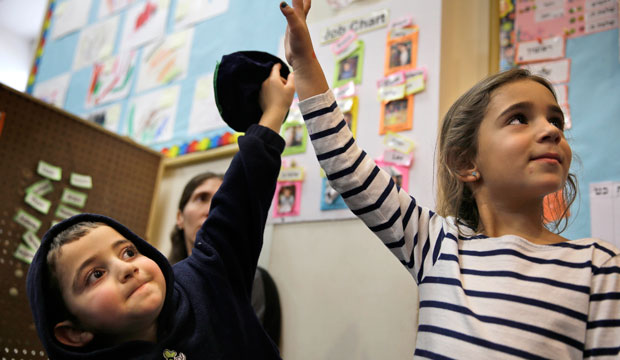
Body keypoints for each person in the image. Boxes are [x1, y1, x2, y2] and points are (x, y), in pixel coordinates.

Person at [279, 1, 620, 358]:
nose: (550, 130)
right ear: (466, 161)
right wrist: (304, 65)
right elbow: (346, 166)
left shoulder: (597, 267)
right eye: (519, 118)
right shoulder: (438, 245)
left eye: (556, 121)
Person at [26, 63, 295, 359]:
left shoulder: (205, 280)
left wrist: (273, 112)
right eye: (96, 274)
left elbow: (239, 197)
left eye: (128, 252)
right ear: (74, 332)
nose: (127, 268)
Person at [169, 172, 282, 346]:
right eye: (201, 198)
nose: (211, 209)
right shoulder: (160, 280)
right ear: (180, 218)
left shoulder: (255, 282)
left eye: (222, 200)